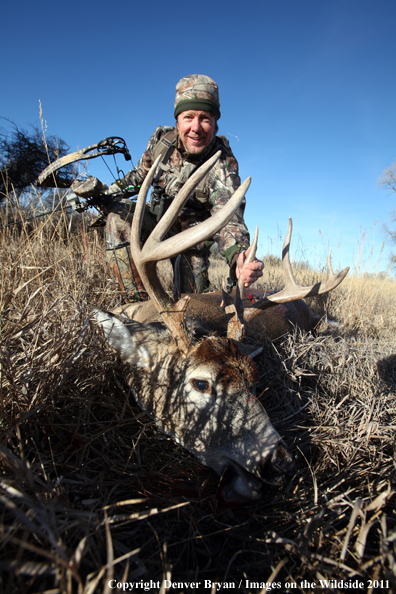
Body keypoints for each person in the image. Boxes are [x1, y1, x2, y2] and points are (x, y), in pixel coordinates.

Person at [74, 74, 264, 301]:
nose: (196, 127)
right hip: (156, 225)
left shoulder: (222, 165)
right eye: (188, 117)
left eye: (205, 118)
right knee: (118, 215)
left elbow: (228, 216)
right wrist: (103, 192)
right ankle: (137, 307)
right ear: (177, 121)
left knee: (192, 309)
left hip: (189, 242)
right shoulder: (161, 142)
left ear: (215, 124)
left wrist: (239, 255)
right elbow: (137, 177)